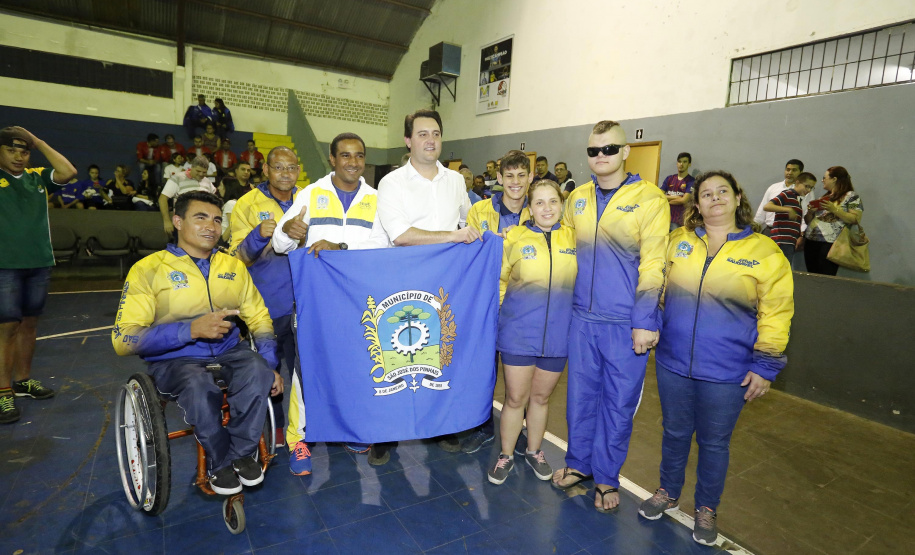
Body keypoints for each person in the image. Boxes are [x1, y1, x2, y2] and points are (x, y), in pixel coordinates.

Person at [640, 171, 794, 546]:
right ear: (697, 204)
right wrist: (650, 322)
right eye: (706, 194)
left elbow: (776, 313)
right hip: (674, 362)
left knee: (714, 443)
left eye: (722, 191)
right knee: (674, 432)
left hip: (728, 371)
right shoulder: (679, 242)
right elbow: (657, 289)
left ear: (738, 197)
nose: (715, 198)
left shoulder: (764, 252)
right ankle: (668, 490)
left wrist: (766, 365)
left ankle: (706, 508)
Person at [112, 190, 283, 495]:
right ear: (177, 221)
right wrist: (189, 330)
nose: (211, 227)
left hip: (231, 351)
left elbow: (259, 319)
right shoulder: (148, 270)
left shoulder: (233, 267)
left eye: (217, 220)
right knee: (198, 385)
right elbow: (123, 339)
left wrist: (270, 363)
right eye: (200, 217)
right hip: (176, 359)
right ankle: (220, 464)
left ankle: (241, 454)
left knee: (258, 371)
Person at [552, 120, 669, 514]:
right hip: (581, 319)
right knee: (579, 399)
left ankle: (606, 477)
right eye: (593, 150)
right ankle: (578, 464)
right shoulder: (577, 198)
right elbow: (563, 252)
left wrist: (644, 320)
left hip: (624, 324)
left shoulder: (650, 200)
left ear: (625, 152)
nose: (600, 157)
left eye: (608, 149)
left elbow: (654, 265)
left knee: (617, 405)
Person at [273, 132, 388, 472]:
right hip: (316, 299)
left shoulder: (377, 199)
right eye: (346, 156)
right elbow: (281, 243)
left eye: (359, 155)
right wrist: (289, 231)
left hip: (358, 299)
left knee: (355, 364)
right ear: (333, 159)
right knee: (306, 368)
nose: (353, 162)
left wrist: (342, 247)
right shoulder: (312, 193)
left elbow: (386, 243)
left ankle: (349, 428)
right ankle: (299, 441)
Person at [373, 109, 479, 462]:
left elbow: (469, 219)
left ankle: (441, 427)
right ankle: (386, 435)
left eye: (435, 133)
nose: (430, 140)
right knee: (399, 358)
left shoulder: (455, 181)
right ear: (408, 140)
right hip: (401, 282)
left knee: (438, 358)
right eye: (422, 134)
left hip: (444, 284)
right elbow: (401, 235)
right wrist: (452, 235)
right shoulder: (392, 183)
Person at [488, 180, 577, 485]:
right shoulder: (514, 237)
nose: (547, 208)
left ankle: (535, 450)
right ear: (529, 208)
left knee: (540, 398)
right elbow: (499, 280)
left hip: (558, 335)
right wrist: (504, 314)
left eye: (553, 201)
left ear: (562, 206)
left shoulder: (575, 239)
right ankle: (506, 454)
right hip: (518, 333)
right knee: (515, 398)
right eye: (539, 202)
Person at [227, 146, 303, 461]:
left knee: (305, 372)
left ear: (298, 170)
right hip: (265, 309)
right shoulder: (247, 204)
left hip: (305, 307)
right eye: (279, 167)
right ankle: (274, 429)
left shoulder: (309, 200)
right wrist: (259, 235)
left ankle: (304, 430)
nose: (285, 173)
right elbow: (236, 258)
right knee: (268, 372)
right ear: (267, 170)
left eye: (291, 167)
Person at [0, 126, 77, 423]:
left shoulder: (37, 178)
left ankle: (23, 381)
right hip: (5, 265)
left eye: (24, 151)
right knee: (7, 328)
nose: (19, 156)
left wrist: (39, 141)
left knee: (30, 324)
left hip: (38, 262)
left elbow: (68, 171)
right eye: (11, 150)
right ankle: (3, 392)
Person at [461, 150, 532, 454]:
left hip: (526, 303)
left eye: (521, 175)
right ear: (499, 178)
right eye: (509, 176)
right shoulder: (479, 211)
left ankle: (521, 429)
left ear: (530, 178)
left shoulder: (540, 210)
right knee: (485, 367)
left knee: (521, 371)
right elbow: (471, 254)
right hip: (488, 300)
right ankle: (482, 425)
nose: (515, 182)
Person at [803, 166, 863, 276]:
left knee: (826, 276)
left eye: (824, 177)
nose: (822, 180)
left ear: (834, 179)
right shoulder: (824, 197)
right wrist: (811, 212)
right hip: (811, 240)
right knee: (811, 275)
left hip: (831, 243)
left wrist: (834, 209)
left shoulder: (851, 196)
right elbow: (808, 221)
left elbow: (855, 219)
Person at [753, 159, 812, 237]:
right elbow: (761, 212)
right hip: (769, 230)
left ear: (801, 173)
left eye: (794, 170)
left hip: (789, 233)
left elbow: (805, 214)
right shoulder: (773, 188)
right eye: (788, 170)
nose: (790, 173)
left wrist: (801, 235)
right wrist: (753, 228)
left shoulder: (805, 191)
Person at [764, 171, 817, 259]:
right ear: (797, 182)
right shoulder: (787, 194)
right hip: (781, 240)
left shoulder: (797, 200)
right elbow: (767, 206)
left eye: (811, 188)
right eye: (807, 186)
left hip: (790, 241)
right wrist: (788, 209)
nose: (808, 190)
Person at [159, 156, 217, 235]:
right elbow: (162, 199)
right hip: (182, 224)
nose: (201, 174)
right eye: (198, 171)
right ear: (192, 167)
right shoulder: (177, 178)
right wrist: (167, 221)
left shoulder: (207, 181)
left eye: (204, 172)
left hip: (203, 226)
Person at [660, 152, 696, 230]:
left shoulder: (691, 181)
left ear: (689, 164)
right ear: (677, 163)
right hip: (664, 218)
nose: (681, 164)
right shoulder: (669, 178)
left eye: (685, 162)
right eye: (679, 161)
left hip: (679, 221)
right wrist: (675, 197)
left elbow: (684, 200)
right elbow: (659, 195)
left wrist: (666, 200)